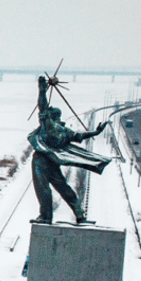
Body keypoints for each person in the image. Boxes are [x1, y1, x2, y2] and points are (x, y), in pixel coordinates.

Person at [28, 75, 110, 224]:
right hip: (51, 161)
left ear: (50, 117)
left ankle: (46, 217)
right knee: (63, 189)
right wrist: (96, 132)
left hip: (41, 161)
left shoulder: (50, 125)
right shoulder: (64, 130)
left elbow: (43, 106)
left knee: (44, 190)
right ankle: (80, 215)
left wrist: (42, 91)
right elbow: (79, 136)